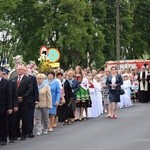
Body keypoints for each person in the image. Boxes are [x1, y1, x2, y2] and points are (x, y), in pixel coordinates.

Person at [13, 65, 33, 140]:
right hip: (15, 102)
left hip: (24, 102)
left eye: (20, 69)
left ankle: (24, 134)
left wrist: (23, 97)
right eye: (17, 69)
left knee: (25, 118)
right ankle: (16, 134)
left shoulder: (28, 79)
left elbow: (30, 90)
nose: (18, 71)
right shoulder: (13, 79)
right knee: (16, 118)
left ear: (23, 70)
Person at [2, 68, 18, 143]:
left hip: (9, 105)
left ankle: (11, 136)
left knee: (11, 122)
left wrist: (14, 105)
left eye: (5, 74)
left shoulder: (11, 82)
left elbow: (13, 95)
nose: (4, 75)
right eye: (3, 74)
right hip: (5, 105)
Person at [0, 66, 12, 145]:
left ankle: (3, 138)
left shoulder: (6, 82)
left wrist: (10, 107)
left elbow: (9, 96)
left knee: (3, 123)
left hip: (3, 106)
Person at [26, 69, 39, 138]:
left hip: (30, 100)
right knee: (24, 117)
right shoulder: (16, 78)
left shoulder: (32, 78)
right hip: (22, 101)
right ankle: (24, 131)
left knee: (30, 116)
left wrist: (36, 99)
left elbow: (35, 89)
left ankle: (30, 131)